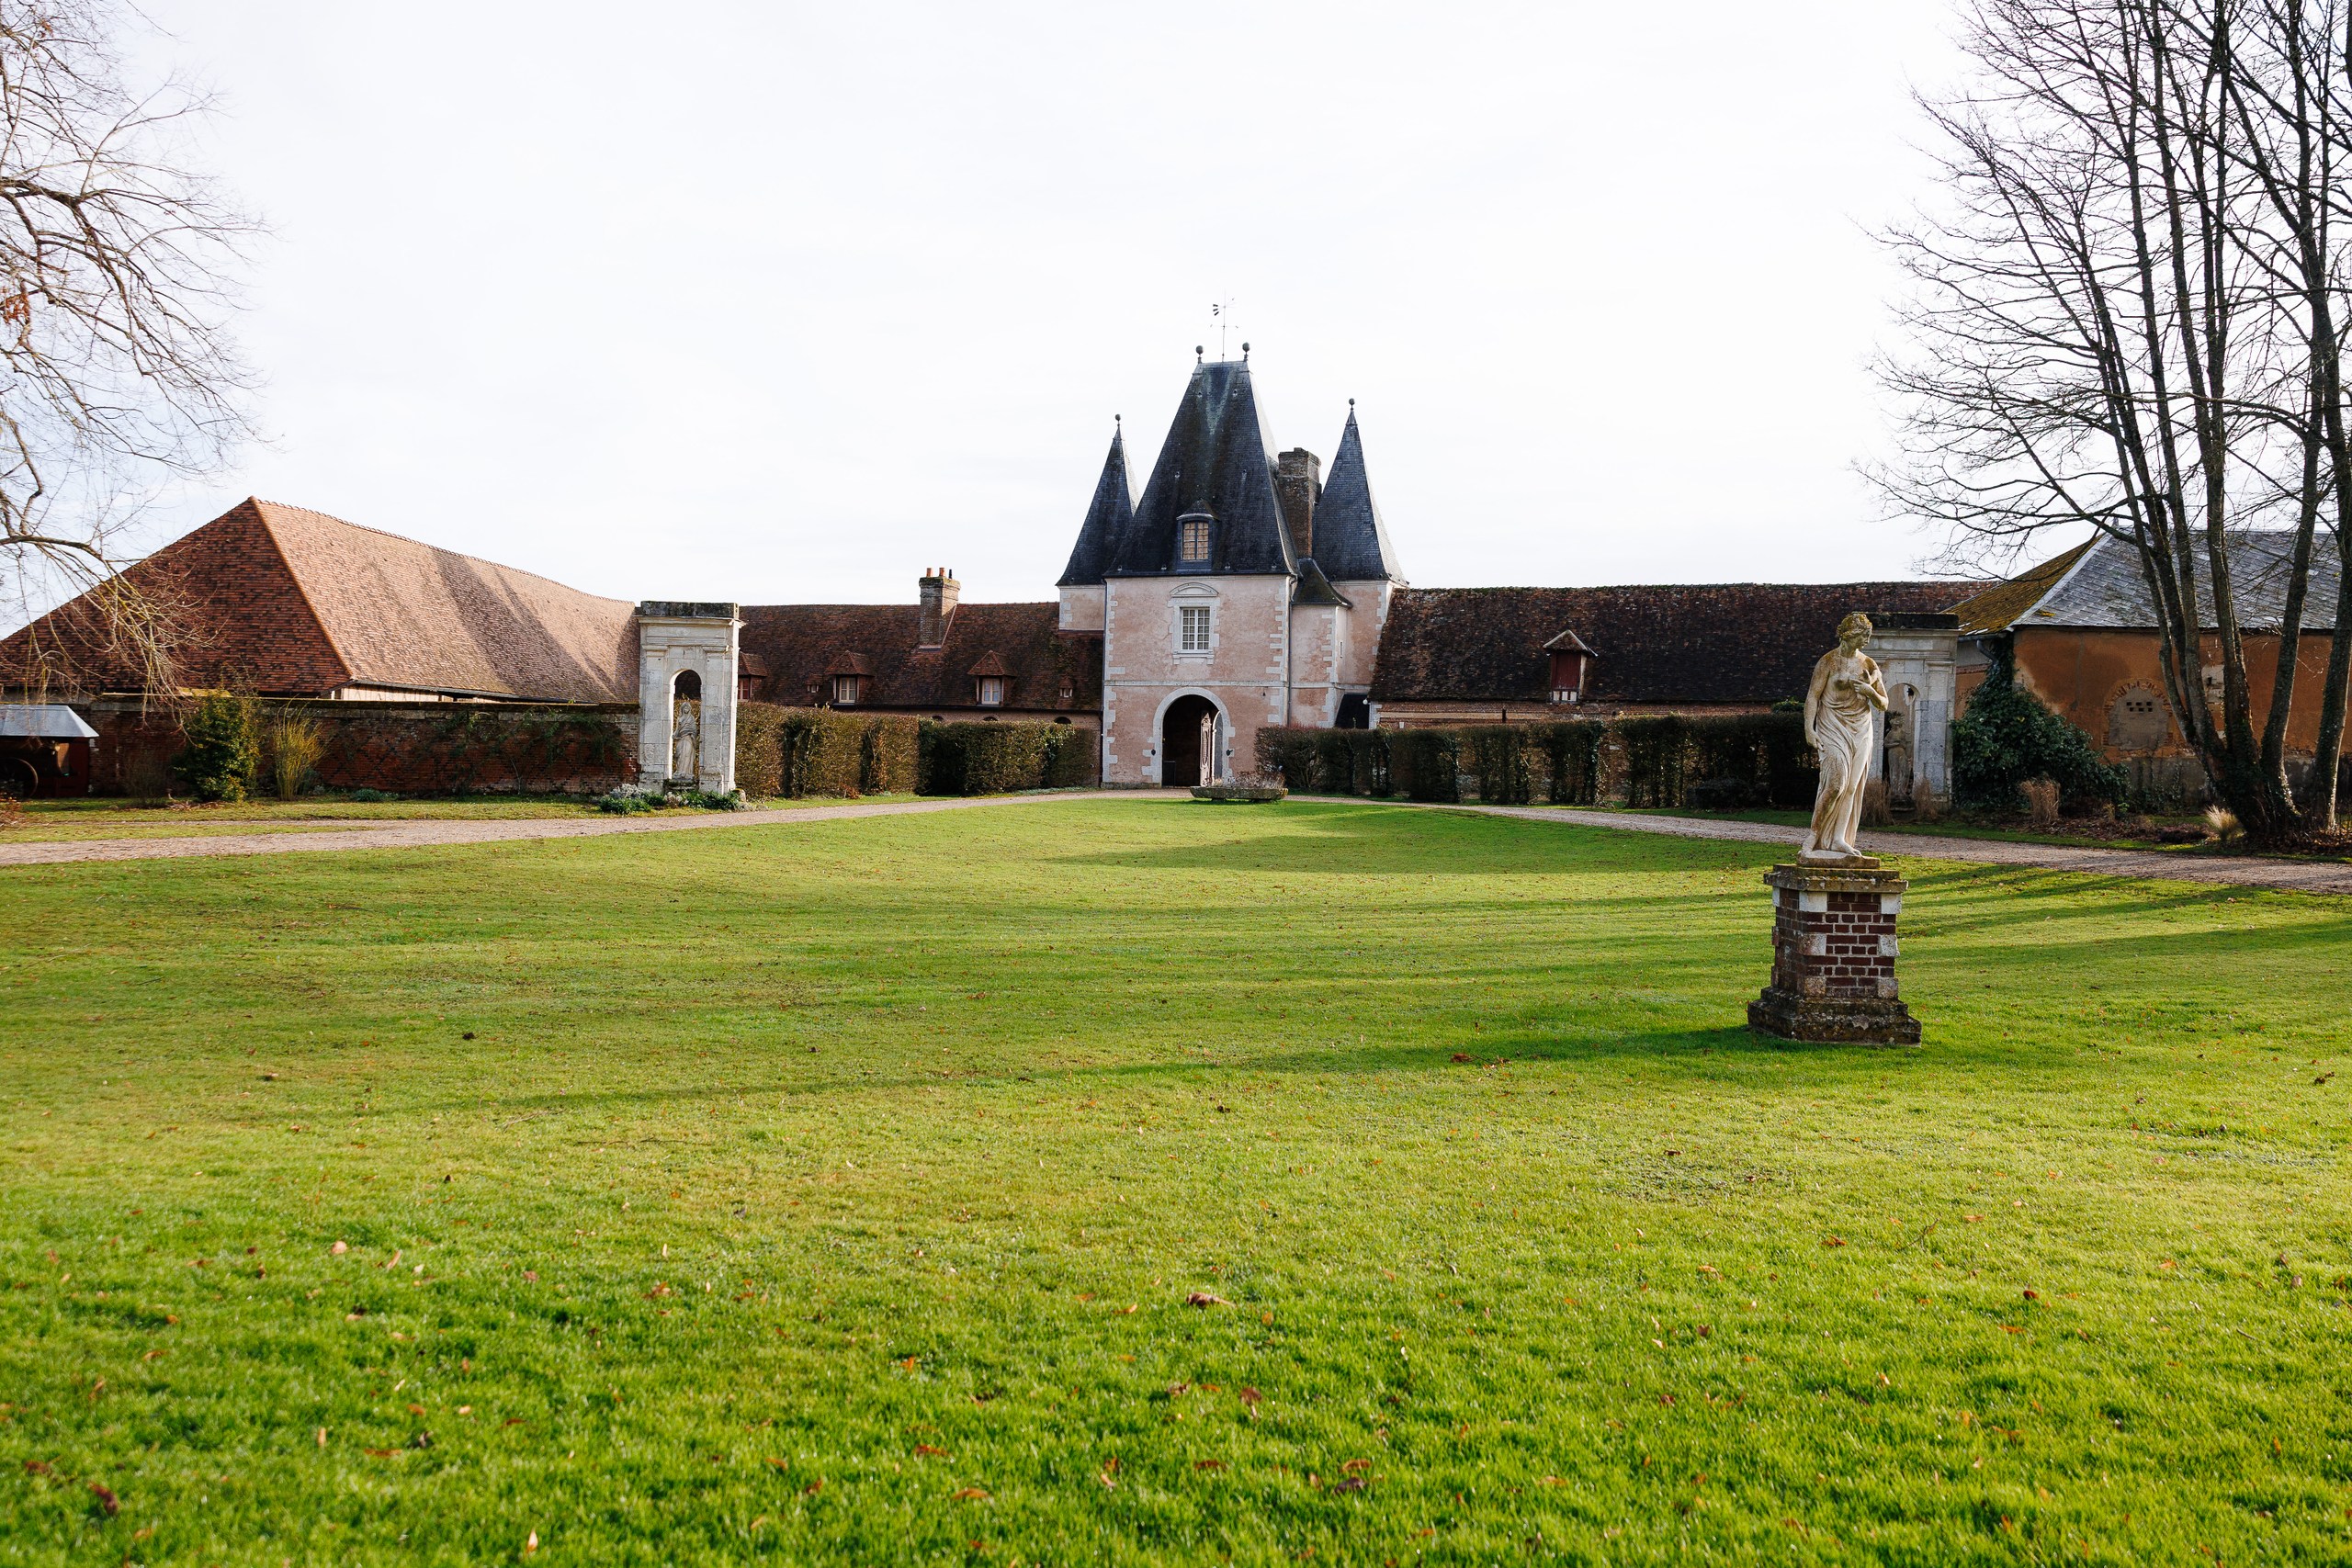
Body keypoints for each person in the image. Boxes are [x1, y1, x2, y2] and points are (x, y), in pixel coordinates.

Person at [1801, 612, 1888, 862]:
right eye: (1864, 635)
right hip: (1832, 727)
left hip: (1861, 728)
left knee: (1851, 787)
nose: (1867, 641)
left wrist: (1870, 691)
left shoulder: (1869, 665)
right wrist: (1809, 728)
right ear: (1849, 634)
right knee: (1836, 784)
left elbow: (1883, 703)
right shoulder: (1828, 662)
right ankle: (1814, 835)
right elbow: (1812, 697)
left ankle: (1839, 839)